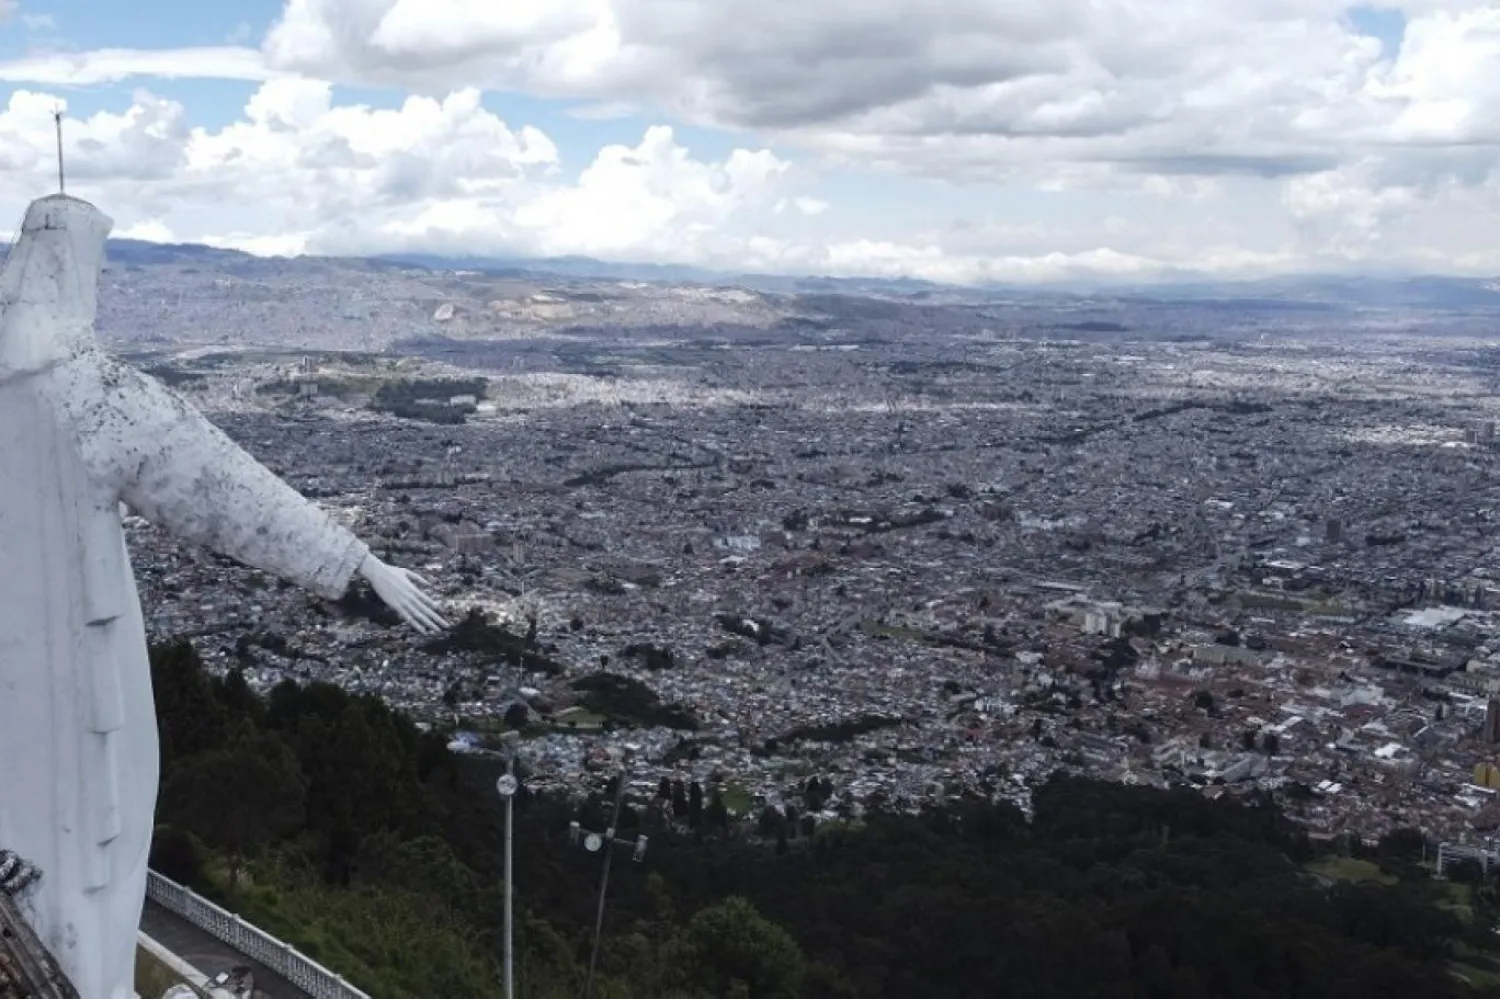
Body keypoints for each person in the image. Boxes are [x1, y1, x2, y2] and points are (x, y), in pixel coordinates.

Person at [0, 193, 447, 999]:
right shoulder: (85, 392)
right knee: (94, 849)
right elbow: (224, 488)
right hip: (73, 674)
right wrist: (358, 565)